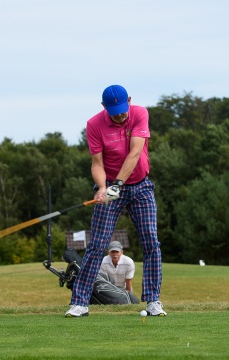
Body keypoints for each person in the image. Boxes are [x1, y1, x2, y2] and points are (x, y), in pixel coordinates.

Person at [65, 84, 166, 318]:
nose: (120, 116)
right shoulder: (94, 125)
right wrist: (102, 187)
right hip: (110, 186)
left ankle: (153, 301)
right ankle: (80, 302)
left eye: (123, 111)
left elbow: (135, 153)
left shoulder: (140, 113)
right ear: (104, 107)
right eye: (114, 112)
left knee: (151, 241)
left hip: (140, 187)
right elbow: (97, 163)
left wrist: (117, 185)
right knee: (97, 245)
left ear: (129, 100)